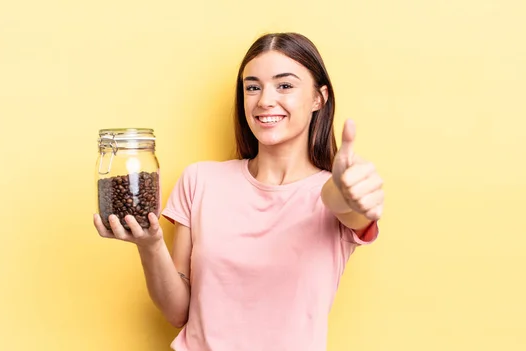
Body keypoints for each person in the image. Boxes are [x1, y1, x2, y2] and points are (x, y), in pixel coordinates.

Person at [93, 32, 384, 351]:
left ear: (319, 97)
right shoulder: (200, 180)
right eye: (253, 87)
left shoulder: (333, 193)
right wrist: (150, 244)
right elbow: (177, 313)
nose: (264, 100)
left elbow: (343, 205)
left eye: (284, 85)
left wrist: (348, 194)